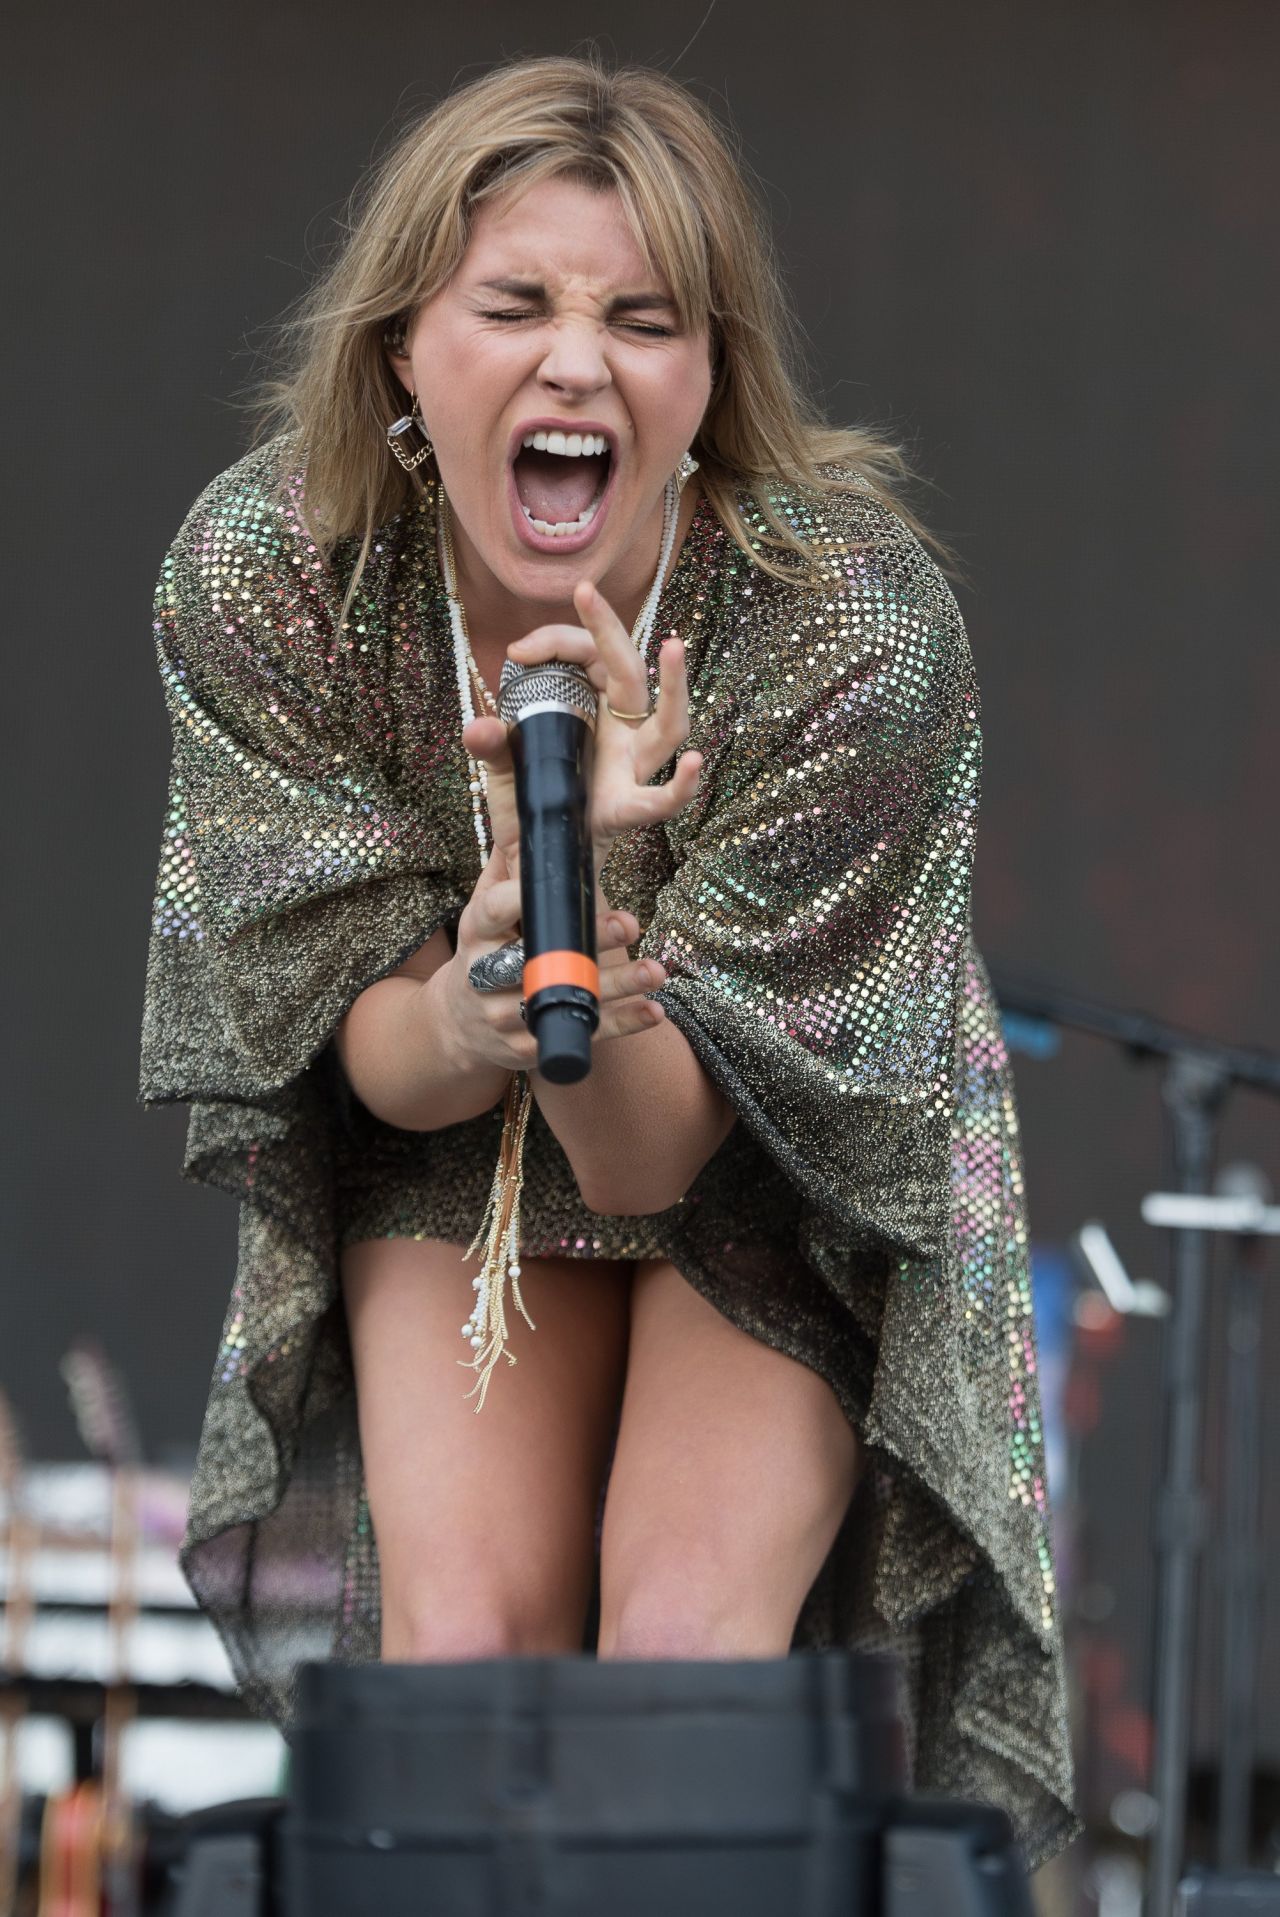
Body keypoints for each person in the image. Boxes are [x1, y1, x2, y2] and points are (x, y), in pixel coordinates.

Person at [139, 52, 1078, 1868]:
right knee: (468, 1676)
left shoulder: (853, 629)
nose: (577, 360)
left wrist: (603, 866)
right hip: (455, 1119)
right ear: (405, 346)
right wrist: (482, 984)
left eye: (640, 319)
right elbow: (372, 1057)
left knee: (672, 1672)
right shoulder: (275, 571)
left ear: (708, 378)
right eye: (516, 304)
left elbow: (655, 1151)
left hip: (771, 1155)